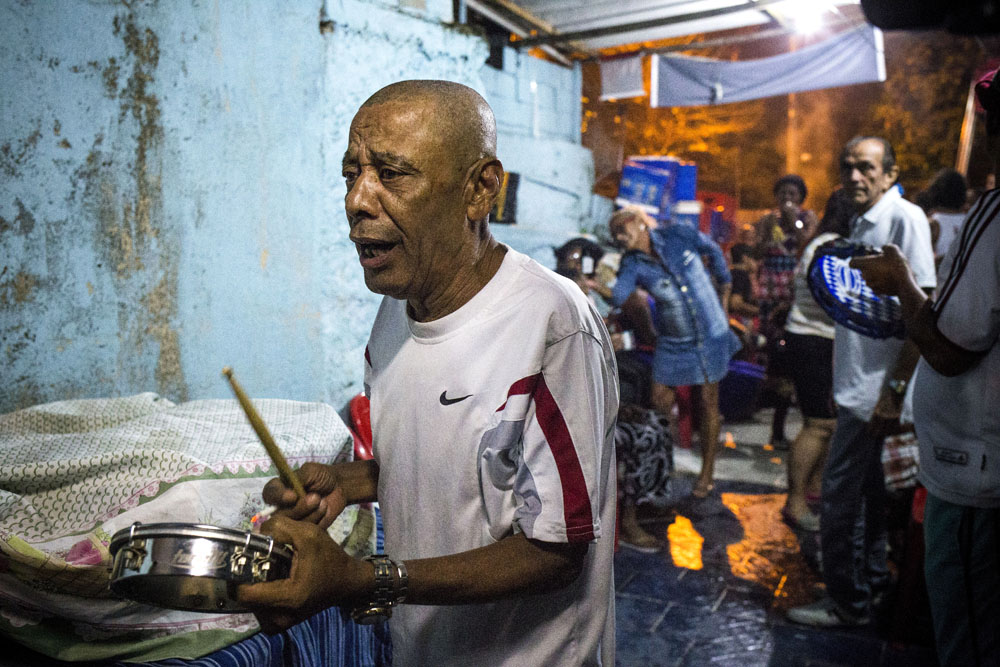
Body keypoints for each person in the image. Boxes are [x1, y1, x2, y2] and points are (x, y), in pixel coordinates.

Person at [237, 80, 619, 666]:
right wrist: (352, 483)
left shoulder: (551, 325)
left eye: (391, 174)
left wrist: (366, 581)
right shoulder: (396, 311)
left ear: (478, 189)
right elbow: (461, 458)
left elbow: (556, 551)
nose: (358, 200)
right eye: (351, 174)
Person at [850, 67, 1000, 667]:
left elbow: (948, 347)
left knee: (970, 635)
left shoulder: (990, 214)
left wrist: (901, 285)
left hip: (978, 476)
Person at [787, 137, 936, 628]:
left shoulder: (904, 219)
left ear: (890, 174)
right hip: (858, 388)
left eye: (866, 168)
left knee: (839, 500)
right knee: (870, 499)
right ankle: (872, 586)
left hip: (878, 394)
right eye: (848, 166)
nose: (854, 176)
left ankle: (847, 603)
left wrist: (893, 396)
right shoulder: (859, 221)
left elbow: (923, 314)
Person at [608, 206, 740, 499]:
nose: (618, 237)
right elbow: (619, 294)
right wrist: (597, 284)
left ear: (639, 223)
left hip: (710, 334)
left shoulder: (678, 234)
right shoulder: (632, 263)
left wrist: (725, 286)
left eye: (621, 229)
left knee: (708, 401)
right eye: (614, 234)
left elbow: (713, 250)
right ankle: (664, 464)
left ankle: (707, 473)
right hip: (673, 342)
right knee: (659, 399)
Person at [779, 188, 853, 532]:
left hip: (812, 340)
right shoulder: (833, 248)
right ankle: (795, 501)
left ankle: (810, 492)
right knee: (819, 425)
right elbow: (839, 302)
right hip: (815, 342)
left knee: (827, 425)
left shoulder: (821, 242)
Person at [755, 175, 819, 449]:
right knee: (777, 360)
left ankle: (801, 427)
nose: (786, 198)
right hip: (771, 298)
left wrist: (794, 221)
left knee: (793, 362)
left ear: (801, 197)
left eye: (792, 193)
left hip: (795, 299)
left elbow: (809, 247)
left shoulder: (809, 218)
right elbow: (758, 252)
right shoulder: (768, 220)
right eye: (782, 193)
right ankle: (777, 430)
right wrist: (766, 233)